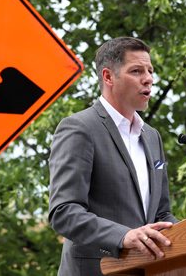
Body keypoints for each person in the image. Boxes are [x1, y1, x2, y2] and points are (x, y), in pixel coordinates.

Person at [48, 37, 177, 275]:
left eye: (150, 71)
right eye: (137, 71)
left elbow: (161, 213)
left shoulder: (151, 136)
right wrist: (123, 236)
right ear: (108, 77)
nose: (148, 78)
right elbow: (64, 212)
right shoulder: (79, 128)